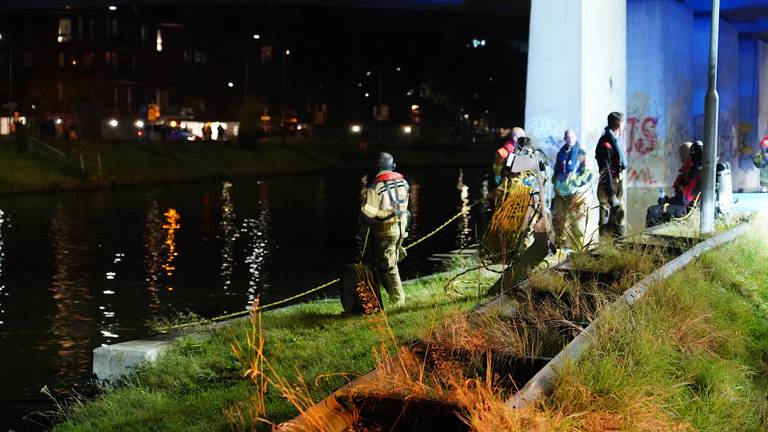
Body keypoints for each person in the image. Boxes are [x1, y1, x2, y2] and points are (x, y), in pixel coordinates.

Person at [361, 152, 410, 306]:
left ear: (377, 167)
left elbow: (369, 214)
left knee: (388, 266)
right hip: (402, 227)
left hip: (386, 231)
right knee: (390, 259)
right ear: (393, 166)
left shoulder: (375, 187)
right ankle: (398, 251)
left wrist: (363, 216)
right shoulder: (404, 182)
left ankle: (398, 301)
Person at [551, 129, 593, 249]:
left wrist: (575, 181)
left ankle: (578, 249)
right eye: (568, 137)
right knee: (559, 220)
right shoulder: (561, 153)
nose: (570, 139)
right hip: (561, 192)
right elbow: (556, 170)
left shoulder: (581, 153)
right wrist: (555, 182)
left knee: (577, 221)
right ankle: (560, 248)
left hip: (576, 193)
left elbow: (588, 172)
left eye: (572, 137)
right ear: (565, 138)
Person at [646, 141, 703, 227]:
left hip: (684, 209)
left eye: (681, 154)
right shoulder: (695, 170)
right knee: (659, 208)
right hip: (684, 206)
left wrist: (668, 202)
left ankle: (653, 238)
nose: (680, 157)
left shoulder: (693, 172)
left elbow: (684, 200)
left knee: (652, 211)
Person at [595, 112, 627, 237]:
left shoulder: (612, 139)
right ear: (619, 124)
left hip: (616, 182)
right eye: (623, 123)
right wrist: (612, 194)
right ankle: (605, 249)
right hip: (609, 185)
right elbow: (605, 170)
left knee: (619, 218)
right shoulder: (606, 143)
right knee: (606, 217)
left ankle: (618, 247)